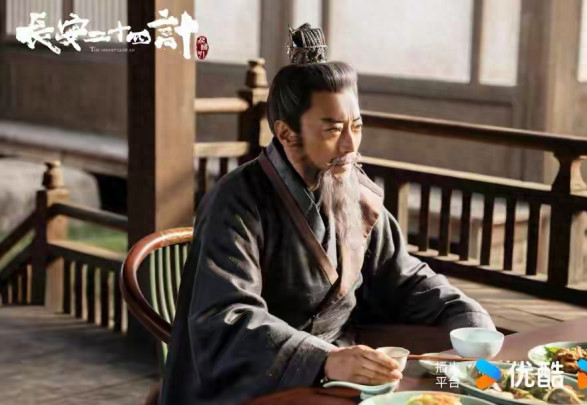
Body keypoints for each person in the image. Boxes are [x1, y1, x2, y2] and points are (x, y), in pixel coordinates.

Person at [160, 23, 494, 404]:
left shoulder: (356, 192)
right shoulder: (236, 201)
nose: (351, 144)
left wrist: (465, 316)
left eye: (357, 126)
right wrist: (324, 360)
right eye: (334, 130)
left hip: (337, 366)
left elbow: (401, 277)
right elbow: (228, 317)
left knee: (458, 379)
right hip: (255, 381)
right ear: (286, 133)